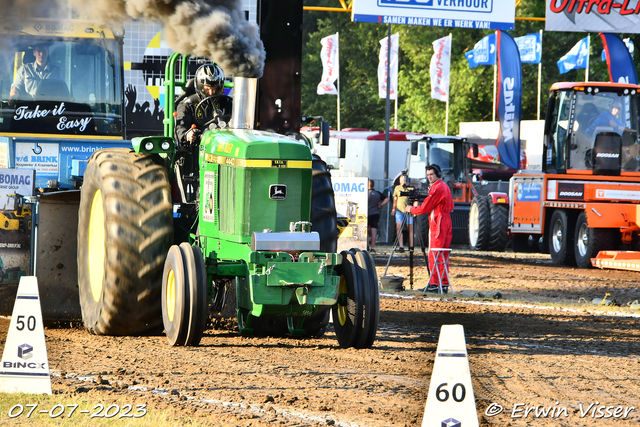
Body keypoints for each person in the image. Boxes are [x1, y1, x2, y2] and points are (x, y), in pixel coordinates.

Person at [405, 164, 454, 291]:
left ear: (438, 174)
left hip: (438, 222)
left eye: (431, 174)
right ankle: (442, 283)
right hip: (446, 221)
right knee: (443, 254)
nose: (430, 177)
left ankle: (434, 284)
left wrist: (411, 209)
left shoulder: (437, 188)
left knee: (434, 253)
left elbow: (425, 208)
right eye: (428, 175)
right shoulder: (445, 186)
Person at [174, 63, 232, 146]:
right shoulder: (187, 104)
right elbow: (180, 127)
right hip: (197, 146)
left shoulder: (226, 102)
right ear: (200, 87)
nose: (212, 93)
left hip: (223, 144)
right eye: (207, 89)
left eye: (215, 89)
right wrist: (187, 134)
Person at [391, 174, 413, 252]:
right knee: (398, 227)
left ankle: (411, 245)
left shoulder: (410, 188)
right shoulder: (397, 188)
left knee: (409, 228)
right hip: (399, 210)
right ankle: (401, 246)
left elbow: (415, 200)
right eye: (401, 179)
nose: (403, 181)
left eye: (404, 179)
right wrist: (393, 209)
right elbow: (395, 199)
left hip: (408, 210)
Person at [367, 179, 388, 253]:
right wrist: (380, 205)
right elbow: (386, 199)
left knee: (365, 231)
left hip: (366, 214)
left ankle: (366, 246)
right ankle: (372, 247)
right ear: (373, 185)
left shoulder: (365, 193)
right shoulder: (377, 193)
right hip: (375, 213)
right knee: (374, 231)